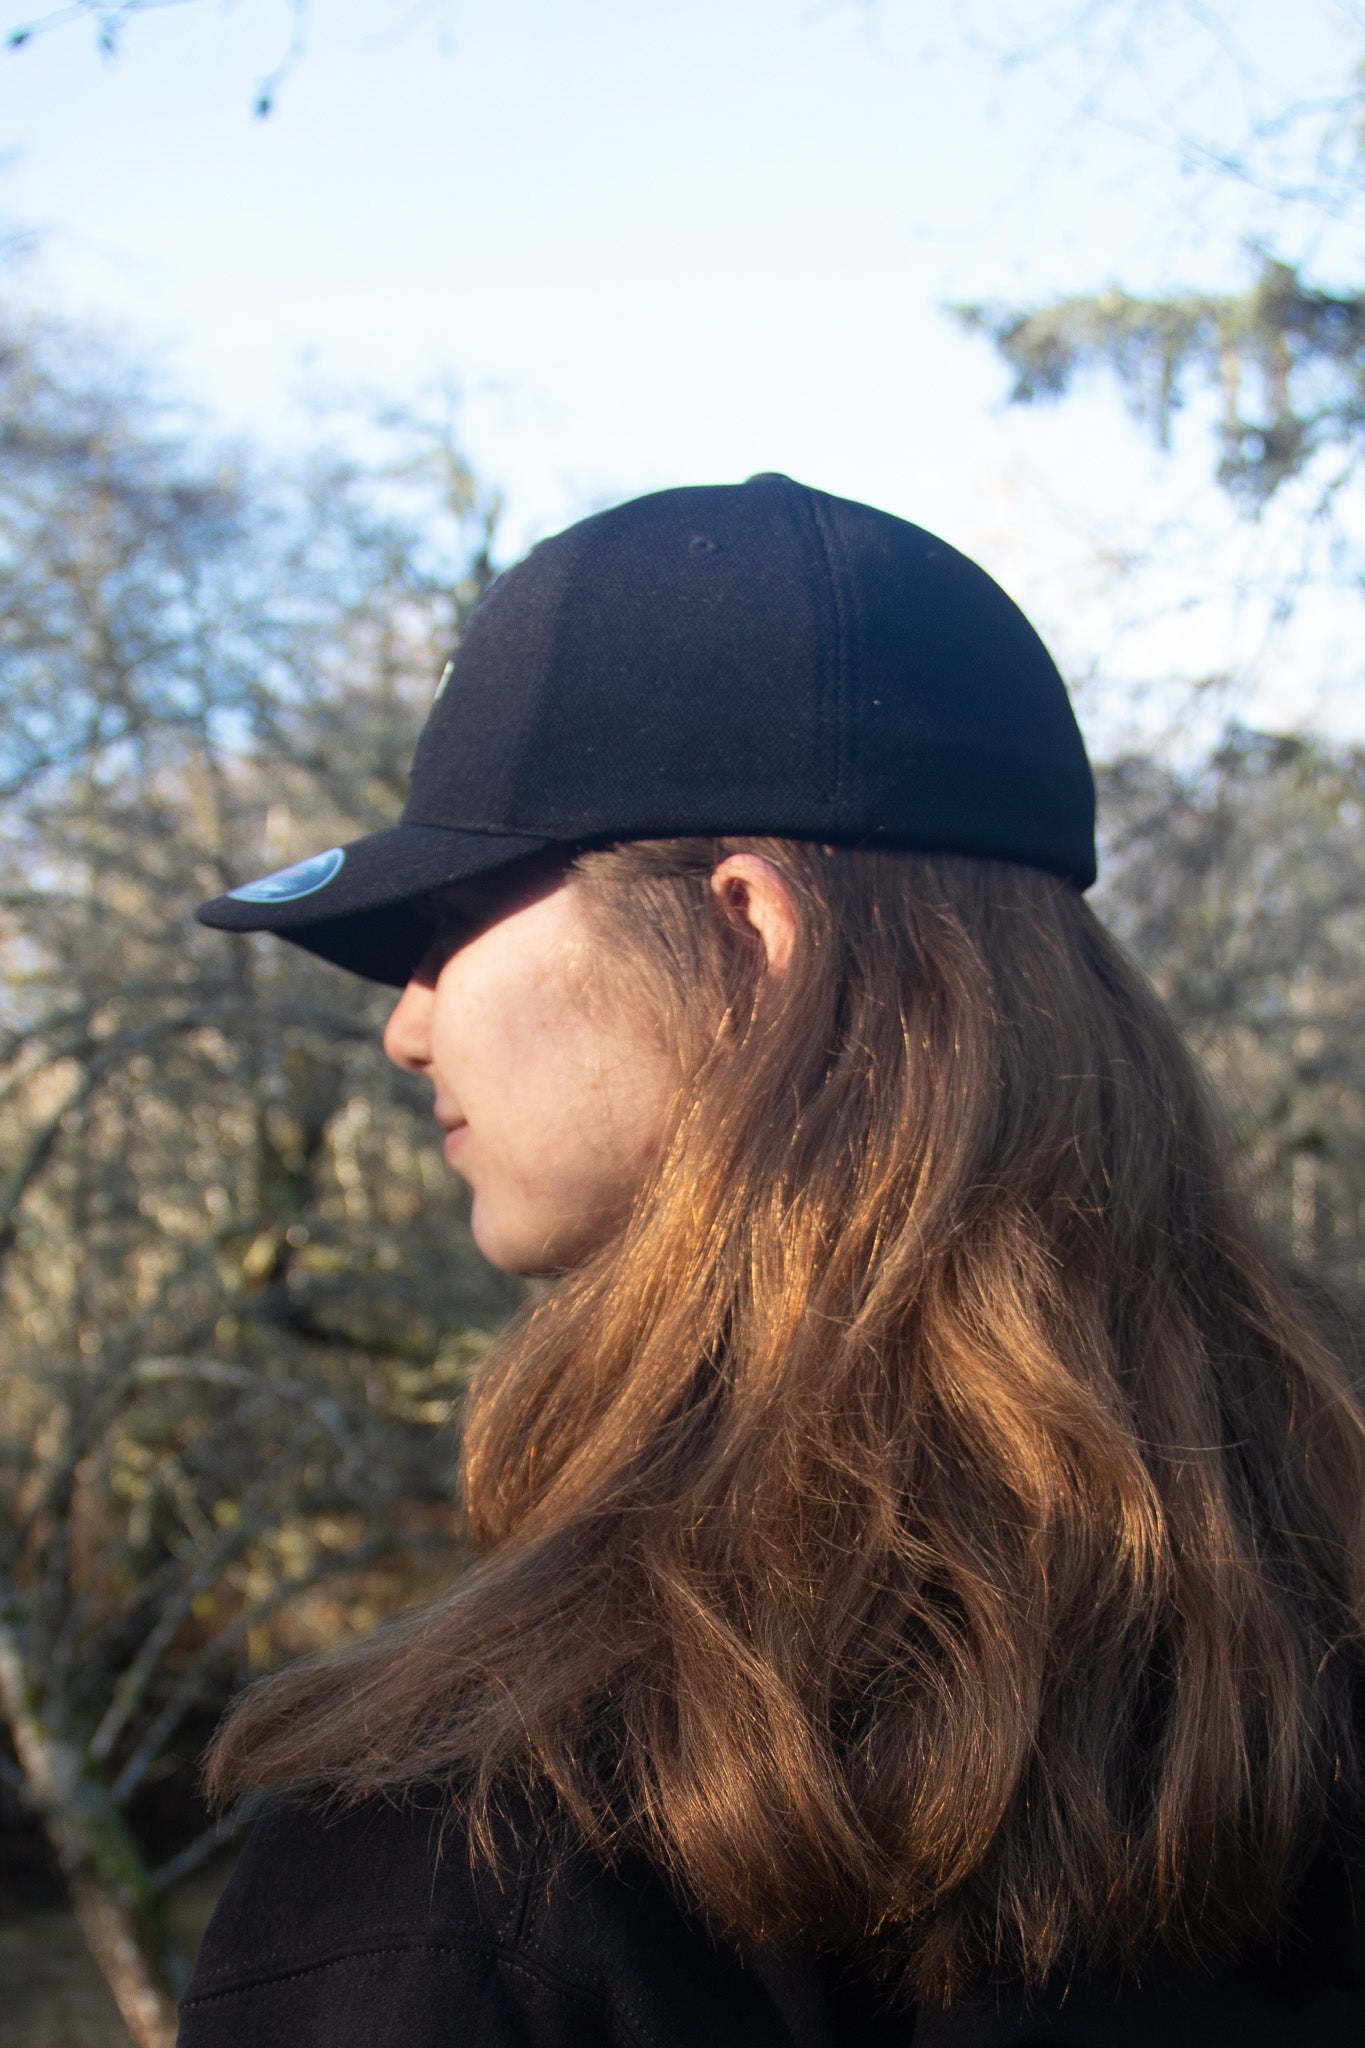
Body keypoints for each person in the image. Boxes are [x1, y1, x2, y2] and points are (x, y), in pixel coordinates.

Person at [180, 474, 1365, 2046]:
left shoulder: (469, 1846)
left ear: (745, 937)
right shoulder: (1311, 1629)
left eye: (446, 923)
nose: (407, 1027)